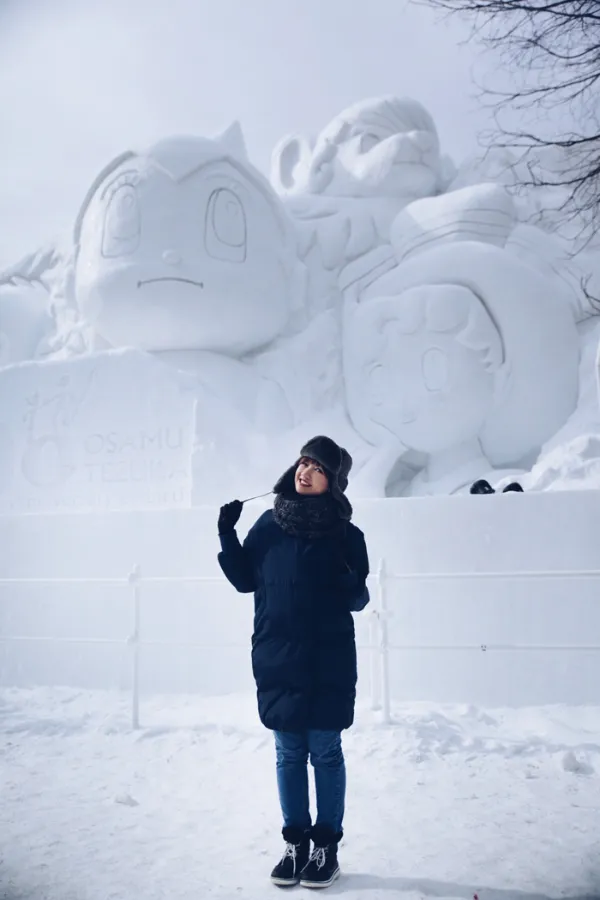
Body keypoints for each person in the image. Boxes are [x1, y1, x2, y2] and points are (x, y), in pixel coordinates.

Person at [217, 435, 370, 889]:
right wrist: (227, 532)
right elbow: (245, 580)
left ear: (333, 482)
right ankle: (295, 843)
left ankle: (326, 847)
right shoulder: (267, 525)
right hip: (278, 657)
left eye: (317, 467)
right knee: (287, 753)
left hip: (328, 658)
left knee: (324, 750)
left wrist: (348, 579)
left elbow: (359, 598)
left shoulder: (347, 535)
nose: (305, 471)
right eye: (303, 462)